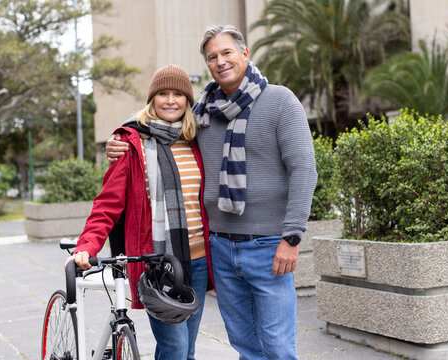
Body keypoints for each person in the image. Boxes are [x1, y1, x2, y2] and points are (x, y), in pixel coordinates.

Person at [106, 25, 317, 360]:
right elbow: (160, 122)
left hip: (268, 246)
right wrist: (121, 137)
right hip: (218, 247)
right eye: (212, 57)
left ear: (244, 53)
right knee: (245, 344)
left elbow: (304, 171)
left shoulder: (280, 101)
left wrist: (292, 237)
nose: (220, 61)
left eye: (227, 53)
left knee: (277, 346)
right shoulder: (203, 113)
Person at [67, 64, 213, 360]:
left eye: (178, 94)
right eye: (162, 93)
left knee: (189, 349)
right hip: (156, 263)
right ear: (152, 99)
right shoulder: (131, 144)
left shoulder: (197, 140)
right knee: (175, 348)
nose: (170, 100)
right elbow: (107, 205)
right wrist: (86, 246)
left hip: (196, 262)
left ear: (188, 100)